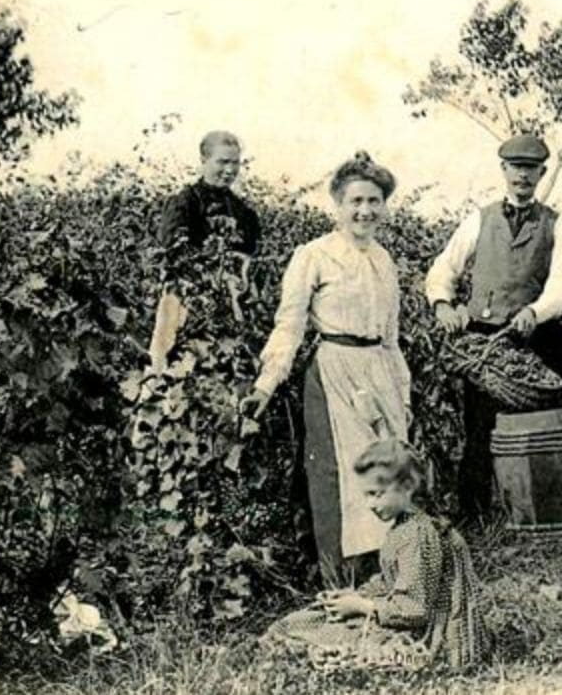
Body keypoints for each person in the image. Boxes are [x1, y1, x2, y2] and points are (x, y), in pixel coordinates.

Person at [241, 152, 412, 578]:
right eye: (355, 201)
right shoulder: (314, 256)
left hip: (380, 372)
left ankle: (390, 577)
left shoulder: (384, 260)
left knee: (390, 471)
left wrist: (402, 394)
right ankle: (342, 584)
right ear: (338, 205)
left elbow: (390, 337)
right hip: (335, 371)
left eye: (374, 201)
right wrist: (266, 384)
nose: (365, 211)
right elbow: (290, 325)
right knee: (344, 478)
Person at [425, 133, 562, 521]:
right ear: (503, 170)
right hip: (485, 339)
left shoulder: (556, 223)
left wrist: (536, 311)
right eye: (516, 168)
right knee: (479, 430)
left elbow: (561, 286)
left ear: (541, 173)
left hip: (537, 331)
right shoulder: (479, 219)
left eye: (530, 169)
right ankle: (475, 515)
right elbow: (442, 270)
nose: (522, 176)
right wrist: (444, 304)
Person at [261, 438, 489, 672]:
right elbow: (394, 579)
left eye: (377, 494)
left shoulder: (417, 535)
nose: (370, 504)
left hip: (429, 636)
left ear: (408, 486)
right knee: (308, 621)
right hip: (405, 616)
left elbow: (414, 609)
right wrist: (353, 596)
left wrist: (360, 606)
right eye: (366, 495)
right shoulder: (406, 526)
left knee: (325, 636)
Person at [149, 130, 261, 372]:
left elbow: (250, 258)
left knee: (229, 366)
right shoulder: (185, 203)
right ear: (203, 161)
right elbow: (171, 251)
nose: (230, 170)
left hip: (230, 301)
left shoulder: (244, 213)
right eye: (223, 162)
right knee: (171, 364)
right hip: (185, 298)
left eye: (235, 163)